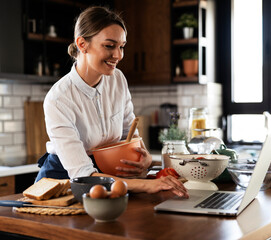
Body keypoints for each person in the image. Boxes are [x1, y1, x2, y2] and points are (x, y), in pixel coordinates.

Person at [35, 6, 188, 198]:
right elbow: (83, 174)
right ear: (82, 44)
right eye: (109, 46)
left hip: (110, 178)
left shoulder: (117, 79)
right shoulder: (58, 99)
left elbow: (129, 133)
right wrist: (145, 185)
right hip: (63, 183)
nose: (118, 55)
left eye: (121, 46)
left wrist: (145, 158)